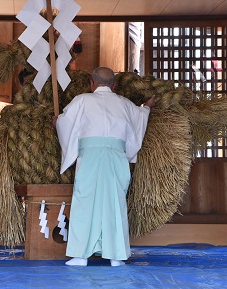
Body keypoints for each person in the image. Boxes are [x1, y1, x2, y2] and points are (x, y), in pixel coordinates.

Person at [54, 66, 155, 267]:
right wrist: (147, 106)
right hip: (116, 157)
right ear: (114, 85)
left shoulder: (82, 100)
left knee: (85, 202)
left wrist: (56, 123)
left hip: (90, 155)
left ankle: (80, 256)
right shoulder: (124, 104)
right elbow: (140, 117)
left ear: (92, 83)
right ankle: (116, 256)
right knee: (115, 203)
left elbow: (66, 124)